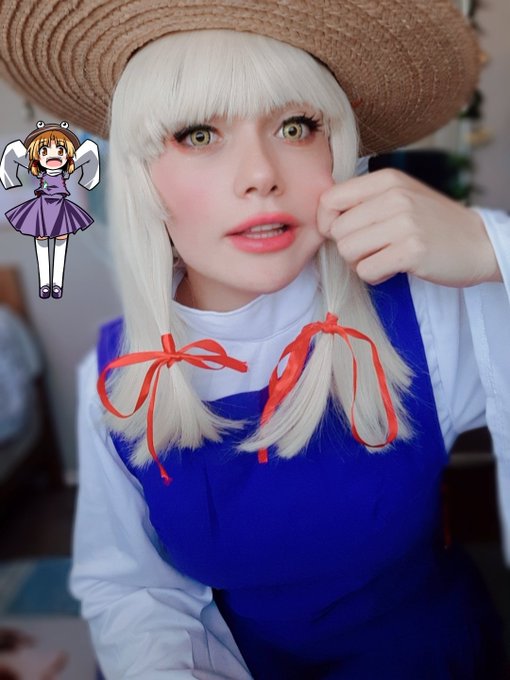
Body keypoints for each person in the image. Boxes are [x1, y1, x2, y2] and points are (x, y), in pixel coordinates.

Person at [1, 1, 509, 677]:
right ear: (141, 178)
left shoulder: (432, 309)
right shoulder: (115, 380)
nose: (262, 174)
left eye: (296, 127)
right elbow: (133, 591)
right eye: (199, 134)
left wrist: (495, 251)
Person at [0, 122, 97, 299]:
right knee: (42, 246)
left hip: (60, 210)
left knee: (60, 246)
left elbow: (88, 159)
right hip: (42, 210)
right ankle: (46, 283)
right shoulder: (38, 173)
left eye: (60, 151)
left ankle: (56, 283)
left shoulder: (65, 173)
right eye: (45, 152)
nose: (53, 156)